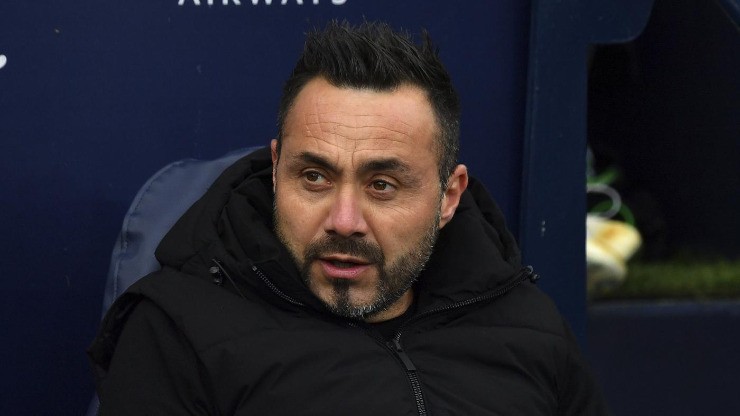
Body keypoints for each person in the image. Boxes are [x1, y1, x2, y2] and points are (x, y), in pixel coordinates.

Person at [88, 20, 609, 415]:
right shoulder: (179, 331)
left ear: (449, 197)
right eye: (314, 177)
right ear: (277, 172)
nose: (343, 220)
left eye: (382, 185)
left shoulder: (530, 328)